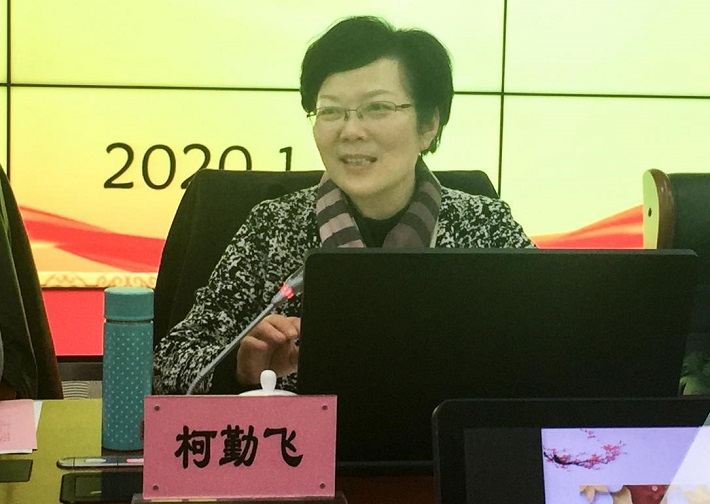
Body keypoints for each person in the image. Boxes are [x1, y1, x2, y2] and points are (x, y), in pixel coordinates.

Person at [152, 15, 535, 395]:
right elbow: (168, 363)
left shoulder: (485, 225)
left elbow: (551, 345)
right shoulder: (273, 227)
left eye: (378, 108)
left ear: (428, 125)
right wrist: (238, 369)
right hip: (301, 436)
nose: (351, 131)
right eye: (331, 111)